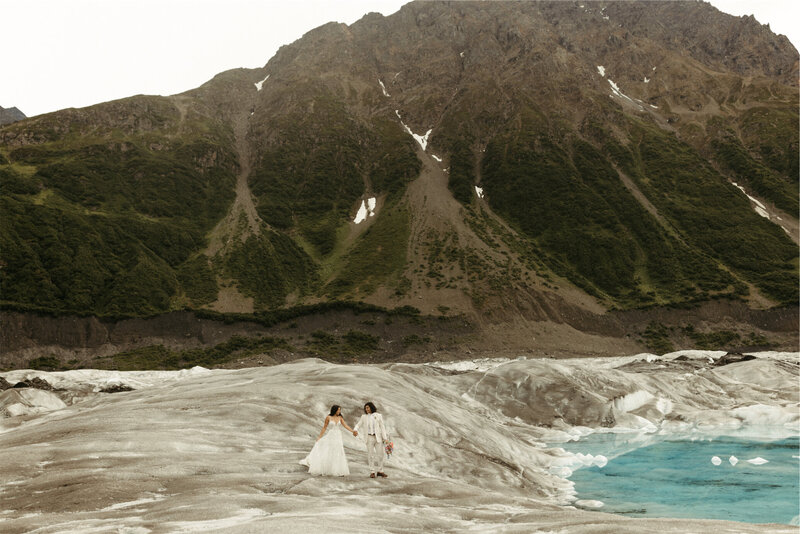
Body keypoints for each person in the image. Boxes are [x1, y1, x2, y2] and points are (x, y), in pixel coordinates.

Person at [300, 405, 356, 476]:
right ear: (334, 410)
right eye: (338, 410)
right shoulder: (328, 417)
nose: (339, 411)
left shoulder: (340, 417)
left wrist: (353, 431)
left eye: (340, 410)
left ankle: (338, 471)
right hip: (331, 435)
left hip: (338, 436)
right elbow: (324, 428)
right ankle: (327, 469)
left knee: (338, 451)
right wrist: (319, 437)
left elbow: (345, 425)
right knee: (329, 450)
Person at [353, 401, 389, 478]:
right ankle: (372, 471)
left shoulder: (378, 416)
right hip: (369, 438)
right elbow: (358, 425)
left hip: (378, 437)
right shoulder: (364, 417)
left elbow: (382, 427)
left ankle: (380, 471)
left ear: (371, 407)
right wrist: (355, 430)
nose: (366, 409)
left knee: (380, 455)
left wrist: (385, 438)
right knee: (370, 455)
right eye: (365, 408)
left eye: (368, 407)